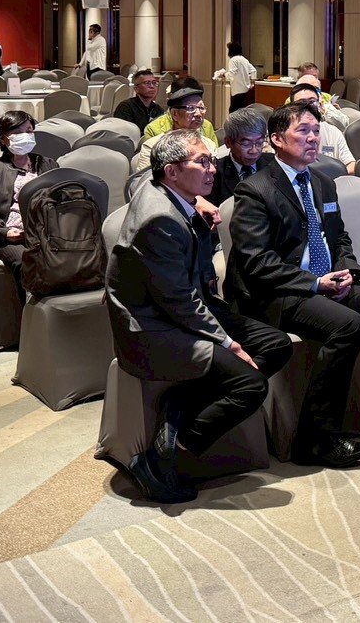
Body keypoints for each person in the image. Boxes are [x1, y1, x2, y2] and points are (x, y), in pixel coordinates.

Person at [229, 101, 360, 467]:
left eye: (316, 131)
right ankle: (315, 438)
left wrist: (347, 272)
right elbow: (256, 262)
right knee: (348, 324)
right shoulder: (256, 189)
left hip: (326, 282)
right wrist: (314, 283)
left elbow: (338, 237)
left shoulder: (323, 183)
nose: (313, 138)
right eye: (303, 131)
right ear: (276, 139)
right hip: (279, 292)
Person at [107, 129, 292, 503]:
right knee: (250, 385)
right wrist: (228, 343)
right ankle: (163, 457)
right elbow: (179, 302)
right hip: (153, 328)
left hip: (181, 310)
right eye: (203, 162)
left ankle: (180, 407)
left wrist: (197, 203)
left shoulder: (164, 188)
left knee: (276, 344)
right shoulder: (160, 219)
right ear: (172, 172)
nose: (213, 169)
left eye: (211, 160)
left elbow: (140, 177)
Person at [0, 111, 58, 300]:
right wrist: (5, 232)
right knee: (27, 263)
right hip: (8, 238)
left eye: (29, 131)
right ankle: (31, 313)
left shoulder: (49, 165)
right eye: (17, 132)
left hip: (45, 234)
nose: (25, 136)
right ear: (3, 139)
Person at [136, 86, 218, 170]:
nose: (198, 114)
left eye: (201, 108)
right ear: (175, 114)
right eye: (191, 108)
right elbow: (145, 177)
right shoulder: (153, 146)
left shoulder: (209, 145)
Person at [288, 81, 354, 172]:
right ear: (291, 107)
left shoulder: (333, 132)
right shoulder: (285, 133)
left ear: (320, 104)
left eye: (312, 101)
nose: (308, 106)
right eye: (301, 103)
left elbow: (351, 165)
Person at [210, 106, 270, 204]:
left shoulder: (274, 164)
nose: (254, 150)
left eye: (259, 143)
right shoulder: (214, 173)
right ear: (228, 142)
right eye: (246, 144)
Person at [114, 69, 164, 133]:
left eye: (154, 83)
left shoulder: (158, 109)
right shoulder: (126, 107)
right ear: (136, 89)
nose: (152, 86)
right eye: (147, 83)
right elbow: (126, 133)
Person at [223, 42, 257, 111]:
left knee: (233, 110)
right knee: (242, 110)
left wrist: (223, 75)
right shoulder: (244, 59)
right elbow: (254, 70)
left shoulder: (233, 60)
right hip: (245, 89)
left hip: (237, 90)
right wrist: (252, 83)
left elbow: (232, 73)